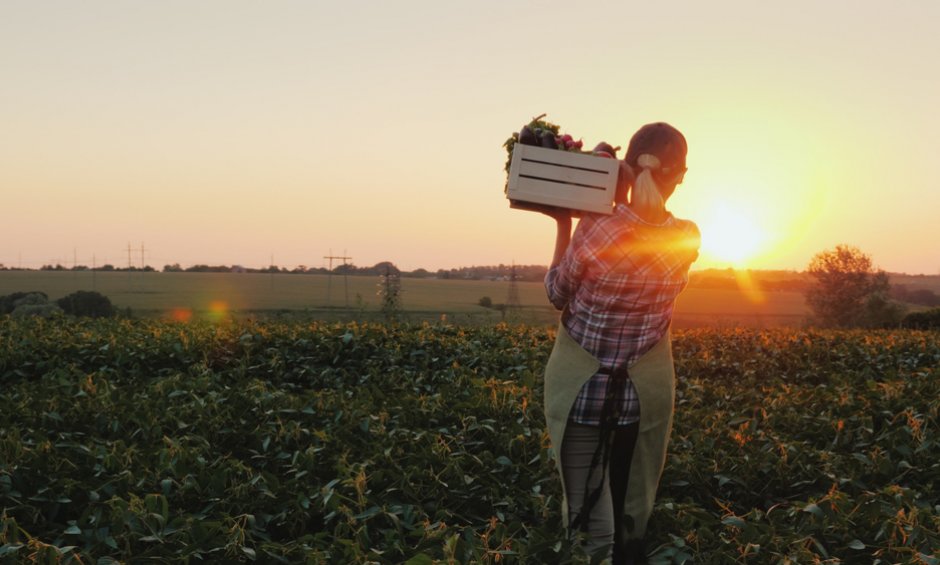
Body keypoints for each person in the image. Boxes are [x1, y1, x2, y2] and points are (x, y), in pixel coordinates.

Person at [541, 122, 700, 564]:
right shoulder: (687, 238)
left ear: (626, 168)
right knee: (628, 515)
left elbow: (557, 294)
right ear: (681, 176)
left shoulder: (596, 228)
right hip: (639, 400)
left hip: (582, 396)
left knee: (587, 521)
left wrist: (565, 222)